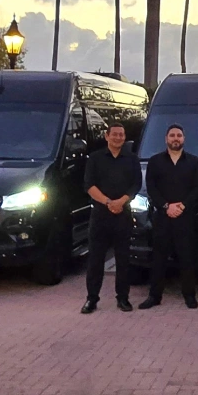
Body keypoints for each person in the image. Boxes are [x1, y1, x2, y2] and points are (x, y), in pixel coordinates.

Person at [142, 124, 198, 309]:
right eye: (172, 135)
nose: (176, 138)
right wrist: (166, 206)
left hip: (185, 218)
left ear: (184, 139)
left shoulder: (194, 162)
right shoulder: (155, 162)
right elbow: (151, 188)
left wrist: (182, 206)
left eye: (179, 135)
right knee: (159, 259)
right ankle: (154, 296)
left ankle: (189, 296)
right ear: (166, 139)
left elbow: (197, 188)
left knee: (187, 258)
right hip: (162, 217)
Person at [81, 123, 141, 314]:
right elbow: (89, 185)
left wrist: (120, 202)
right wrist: (108, 202)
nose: (118, 137)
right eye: (114, 134)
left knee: (123, 260)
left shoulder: (131, 159)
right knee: (95, 260)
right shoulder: (95, 158)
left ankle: (123, 298)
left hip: (123, 215)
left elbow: (136, 185)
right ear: (107, 136)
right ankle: (91, 299)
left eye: (121, 135)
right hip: (100, 215)